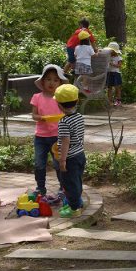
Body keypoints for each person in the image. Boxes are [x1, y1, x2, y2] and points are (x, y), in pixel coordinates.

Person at [30, 64, 68, 199]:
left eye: (55, 80)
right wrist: (41, 118)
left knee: (58, 163)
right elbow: (34, 115)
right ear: (42, 81)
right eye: (48, 79)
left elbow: (67, 113)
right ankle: (40, 188)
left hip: (57, 136)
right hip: (40, 137)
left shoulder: (60, 99)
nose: (52, 83)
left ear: (60, 83)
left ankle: (63, 188)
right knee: (39, 163)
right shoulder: (37, 97)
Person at [53, 84, 87, 217]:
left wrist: (62, 161)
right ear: (77, 101)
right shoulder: (79, 117)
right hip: (80, 155)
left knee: (69, 183)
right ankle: (78, 202)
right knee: (77, 180)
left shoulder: (64, 122)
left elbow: (65, 141)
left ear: (59, 105)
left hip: (70, 158)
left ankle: (74, 209)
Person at [104, 42, 123, 107]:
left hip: (116, 73)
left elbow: (119, 66)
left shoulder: (118, 57)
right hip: (109, 73)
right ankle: (109, 101)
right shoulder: (108, 57)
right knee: (109, 88)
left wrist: (112, 64)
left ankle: (118, 100)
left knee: (117, 87)